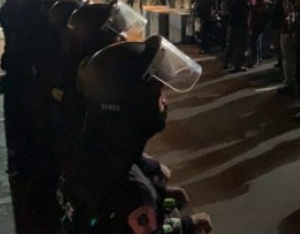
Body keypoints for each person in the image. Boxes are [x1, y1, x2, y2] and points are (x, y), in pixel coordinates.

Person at [57, 36, 212, 234]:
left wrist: (159, 192)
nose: (164, 101)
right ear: (136, 107)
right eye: (158, 94)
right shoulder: (134, 194)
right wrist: (186, 225)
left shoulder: (84, 148)